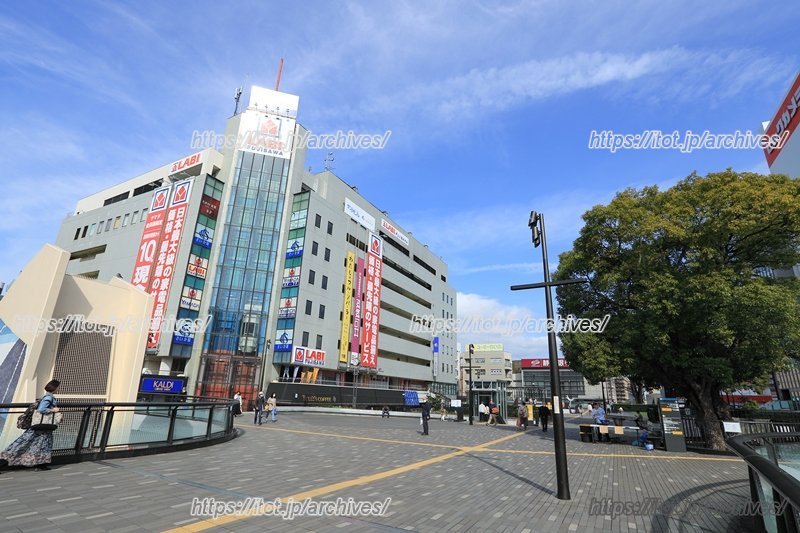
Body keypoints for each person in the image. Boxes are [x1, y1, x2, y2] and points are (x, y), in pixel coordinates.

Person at [0, 379, 61, 472]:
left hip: (42, 428)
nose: (58, 389)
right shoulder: (49, 398)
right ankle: (2, 462)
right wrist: (53, 410)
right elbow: (41, 409)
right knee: (24, 444)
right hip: (41, 427)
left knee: (38, 445)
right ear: (55, 388)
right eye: (58, 387)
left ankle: (41, 464)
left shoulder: (46, 397)